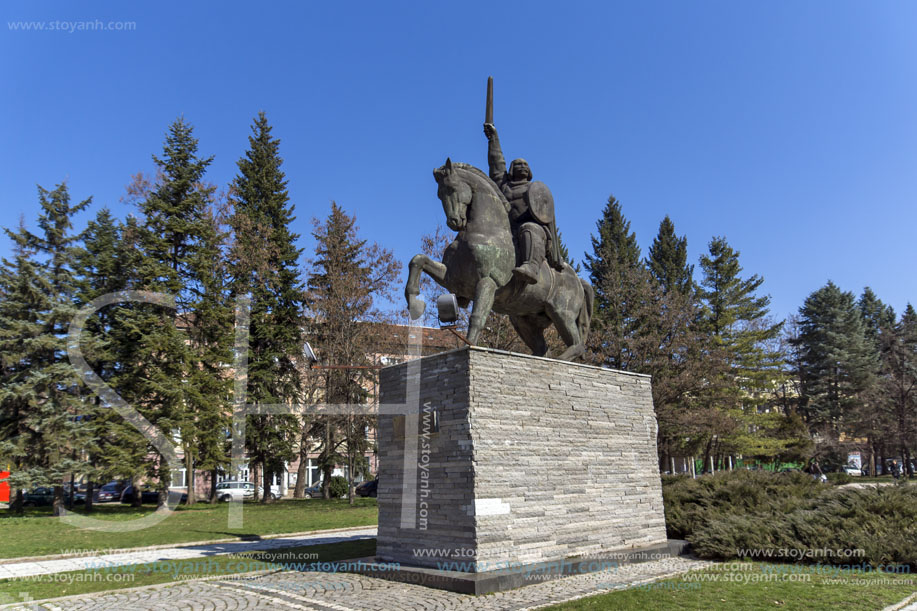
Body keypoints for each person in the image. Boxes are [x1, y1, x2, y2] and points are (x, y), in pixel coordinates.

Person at [483, 122, 563, 284]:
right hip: (509, 229)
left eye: (525, 164)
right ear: (512, 169)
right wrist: (493, 139)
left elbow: (545, 213)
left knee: (529, 228)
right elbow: (496, 162)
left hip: (535, 230)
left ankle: (531, 267)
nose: (522, 166)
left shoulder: (534, 189)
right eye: (518, 164)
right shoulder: (504, 186)